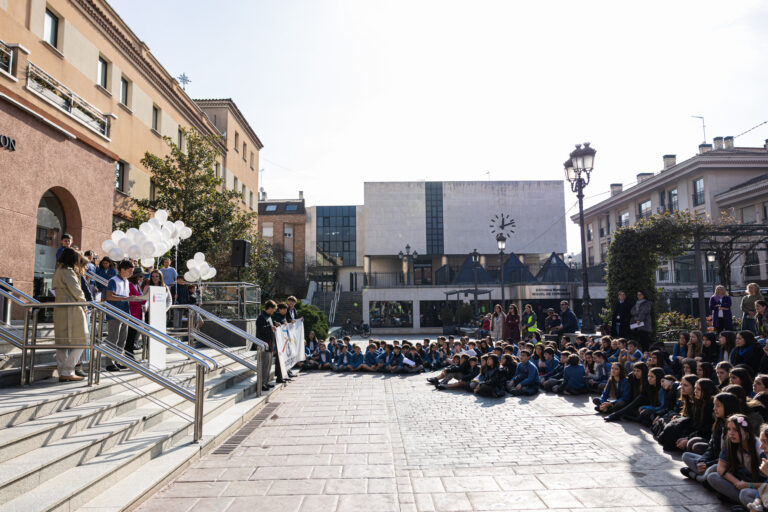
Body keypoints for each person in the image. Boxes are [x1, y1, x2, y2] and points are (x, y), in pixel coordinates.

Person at [51, 248, 89, 381]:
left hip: (60, 306)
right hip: (71, 306)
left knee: (61, 341)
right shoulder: (68, 271)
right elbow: (77, 290)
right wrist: (85, 305)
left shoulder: (58, 270)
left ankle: (63, 371)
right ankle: (67, 370)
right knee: (82, 340)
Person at [105, 260, 144, 372]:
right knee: (113, 338)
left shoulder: (126, 281)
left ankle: (117, 360)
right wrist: (125, 298)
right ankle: (109, 363)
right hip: (114, 313)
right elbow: (109, 296)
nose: (131, 274)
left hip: (125, 313)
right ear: (122, 269)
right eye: (130, 271)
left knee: (122, 339)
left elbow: (125, 297)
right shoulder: (113, 280)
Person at [256, 300, 279, 390]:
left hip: (270, 344)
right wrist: (270, 327)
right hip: (264, 345)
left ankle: (266, 382)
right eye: (273, 309)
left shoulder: (268, 317)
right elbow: (261, 330)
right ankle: (261, 384)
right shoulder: (261, 317)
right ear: (269, 308)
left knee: (269, 365)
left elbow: (269, 327)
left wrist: (274, 324)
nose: (274, 311)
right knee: (264, 365)